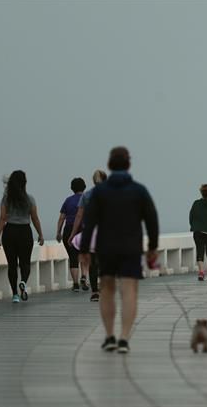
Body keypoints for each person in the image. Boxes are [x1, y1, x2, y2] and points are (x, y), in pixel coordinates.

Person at [79, 147, 159, 354]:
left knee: (107, 289)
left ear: (110, 165)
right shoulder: (139, 190)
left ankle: (109, 336)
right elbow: (152, 220)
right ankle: (124, 337)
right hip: (131, 247)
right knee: (129, 290)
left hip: (106, 247)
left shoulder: (99, 192)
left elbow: (90, 222)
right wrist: (152, 248)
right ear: (129, 164)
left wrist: (85, 249)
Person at [0, 170, 45, 303]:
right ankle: (23, 282)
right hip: (24, 232)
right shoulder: (30, 199)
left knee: (12, 264)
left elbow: (2, 218)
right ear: (24, 183)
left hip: (9, 232)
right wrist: (40, 234)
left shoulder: (6, 199)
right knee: (25, 263)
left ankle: (15, 295)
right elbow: (35, 218)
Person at [69, 170, 107, 302]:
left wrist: (72, 234)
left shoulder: (87, 195)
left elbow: (79, 216)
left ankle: (95, 292)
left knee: (93, 264)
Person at [56, 177, 87, 292]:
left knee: (73, 257)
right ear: (84, 187)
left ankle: (75, 284)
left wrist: (58, 232)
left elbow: (61, 218)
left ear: (72, 188)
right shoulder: (87, 199)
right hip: (84, 230)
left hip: (69, 230)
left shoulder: (68, 201)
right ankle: (84, 277)